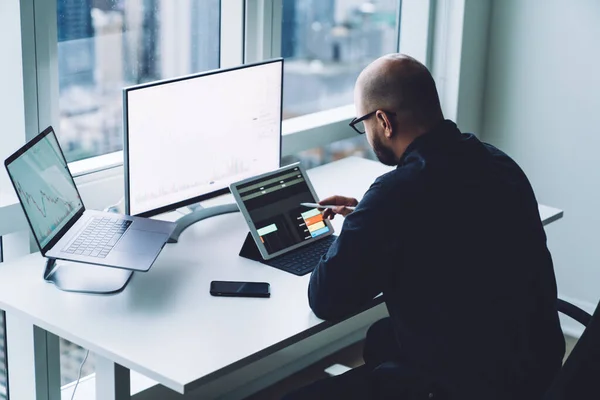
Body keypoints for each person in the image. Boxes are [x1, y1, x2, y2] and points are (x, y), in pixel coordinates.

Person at [283, 54, 565, 399]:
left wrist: (364, 224)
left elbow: (324, 298)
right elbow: (453, 227)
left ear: (384, 121)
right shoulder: (498, 163)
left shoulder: (396, 194)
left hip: (465, 383)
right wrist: (369, 217)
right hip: (535, 364)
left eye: (363, 123)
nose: (366, 131)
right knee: (382, 338)